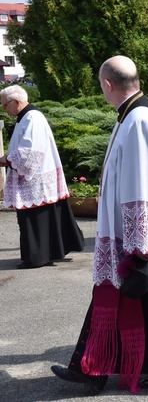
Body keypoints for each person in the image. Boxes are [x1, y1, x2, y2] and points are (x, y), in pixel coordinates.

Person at [51, 56, 148, 393]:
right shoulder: (134, 115)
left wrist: (141, 247)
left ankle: (130, 369)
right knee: (125, 300)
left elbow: (143, 186)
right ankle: (94, 368)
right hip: (138, 234)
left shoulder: (139, 121)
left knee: (146, 300)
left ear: (108, 85)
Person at [0, 85, 84, 269]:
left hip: (36, 179)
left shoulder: (33, 118)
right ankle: (46, 253)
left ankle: (37, 257)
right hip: (35, 177)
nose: (4, 109)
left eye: (6, 105)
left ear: (16, 102)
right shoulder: (25, 118)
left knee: (35, 219)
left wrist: (6, 159)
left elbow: (30, 152)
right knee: (40, 219)